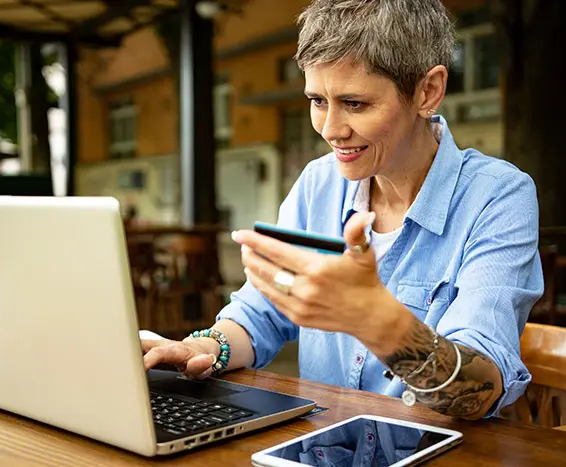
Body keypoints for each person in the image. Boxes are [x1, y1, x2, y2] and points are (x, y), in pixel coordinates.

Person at [143, 0, 542, 421]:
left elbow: (478, 394)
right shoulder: (318, 183)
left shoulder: (497, 197)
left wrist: (375, 320)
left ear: (428, 92)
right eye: (318, 100)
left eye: (355, 103)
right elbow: (261, 314)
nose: (331, 129)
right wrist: (203, 348)